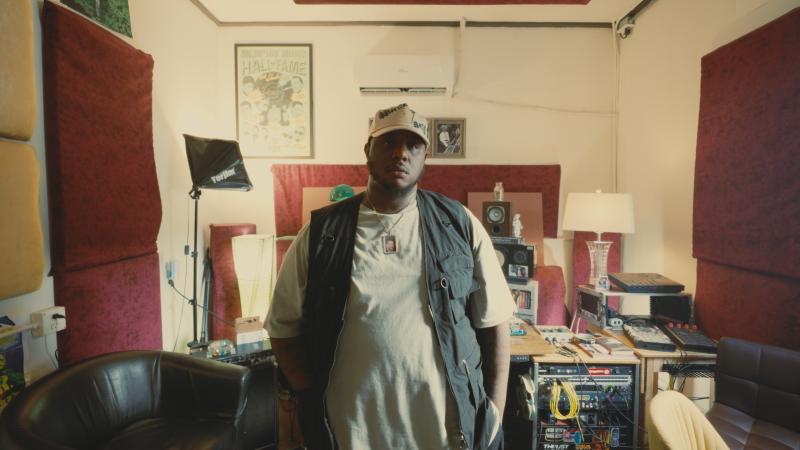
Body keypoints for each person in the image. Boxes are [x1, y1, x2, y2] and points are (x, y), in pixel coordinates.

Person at [266, 103, 515, 450]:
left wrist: (495, 412)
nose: (400, 153)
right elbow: (282, 328)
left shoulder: (459, 225)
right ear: (367, 150)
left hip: (445, 430)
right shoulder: (322, 233)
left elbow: (495, 323)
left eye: (413, 145)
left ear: (425, 156)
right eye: (388, 143)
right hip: (349, 431)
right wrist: (310, 397)